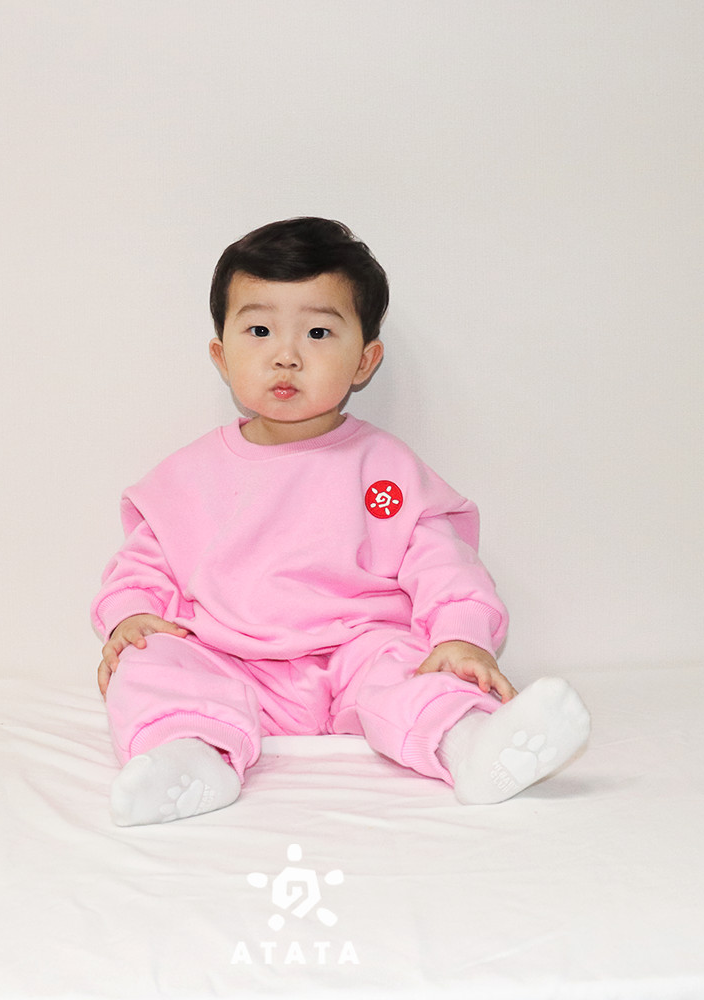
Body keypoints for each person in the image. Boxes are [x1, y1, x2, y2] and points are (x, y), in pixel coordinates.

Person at [91, 217, 590, 827]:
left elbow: (441, 561)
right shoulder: (188, 479)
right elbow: (141, 564)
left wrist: (460, 634)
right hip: (229, 658)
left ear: (364, 361)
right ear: (222, 354)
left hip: (358, 653)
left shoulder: (382, 474)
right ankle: (189, 756)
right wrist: (131, 617)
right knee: (151, 661)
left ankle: (470, 745)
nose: (286, 355)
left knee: (414, 665)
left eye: (319, 332)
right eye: (259, 330)